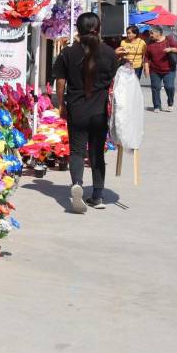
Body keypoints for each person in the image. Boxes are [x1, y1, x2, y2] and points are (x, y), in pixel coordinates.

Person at [53, 12, 118, 213]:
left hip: (76, 109)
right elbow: (115, 82)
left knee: (77, 151)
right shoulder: (110, 53)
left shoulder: (67, 53)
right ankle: (97, 196)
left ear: (78, 29)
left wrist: (61, 104)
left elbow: (60, 81)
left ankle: (77, 183)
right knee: (97, 152)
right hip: (99, 111)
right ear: (98, 29)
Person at [145, 26, 177, 112]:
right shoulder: (149, 42)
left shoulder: (169, 39)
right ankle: (157, 106)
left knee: (169, 87)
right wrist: (146, 68)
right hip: (154, 69)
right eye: (150, 33)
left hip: (169, 69)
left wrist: (170, 49)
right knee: (155, 87)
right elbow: (146, 57)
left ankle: (170, 103)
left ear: (158, 33)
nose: (150, 35)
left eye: (152, 33)